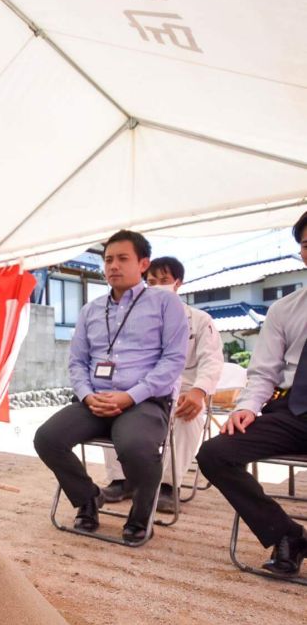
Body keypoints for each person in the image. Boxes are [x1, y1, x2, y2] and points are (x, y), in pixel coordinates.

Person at [34, 229, 189, 542]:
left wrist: (130, 397)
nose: (113, 266)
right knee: (47, 438)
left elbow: (173, 361)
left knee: (134, 446)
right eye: (108, 260)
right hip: (96, 400)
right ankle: (88, 499)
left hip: (145, 401)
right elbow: (76, 362)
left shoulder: (165, 303)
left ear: (143, 263)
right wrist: (87, 396)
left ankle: (140, 516)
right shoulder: (91, 309)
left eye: (122, 259)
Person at [197, 211, 307, 577]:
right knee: (215, 453)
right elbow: (264, 372)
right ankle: (287, 535)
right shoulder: (284, 309)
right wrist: (247, 407)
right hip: (294, 410)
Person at [102, 255, 223, 512]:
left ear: (178, 283)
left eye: (164, 280)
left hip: (186, 391)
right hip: (142, 389)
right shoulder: (133, 319)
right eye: (151, 281)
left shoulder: (200, 320)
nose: (157, 285)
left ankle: (169, 485)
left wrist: (198, 393)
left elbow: (211, 361)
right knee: (112, 405)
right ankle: (120, 480)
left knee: (188, 415)